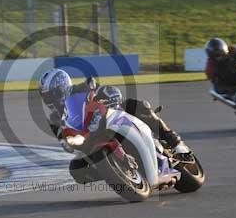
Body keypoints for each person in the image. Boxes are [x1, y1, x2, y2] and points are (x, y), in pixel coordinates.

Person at [38, 68, 189, 184]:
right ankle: (115, 174)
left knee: (138, 106)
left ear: (60, 87)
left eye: (50, 94)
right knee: (76, 169)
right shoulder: (55, 118)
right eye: (45, 96)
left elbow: (106, 90)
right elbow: (64, 140)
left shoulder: (81, 89)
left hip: (110, 118)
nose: (48, 99)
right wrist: (70, 143)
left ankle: (175, 142)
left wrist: (112, 98)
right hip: (89, 139)